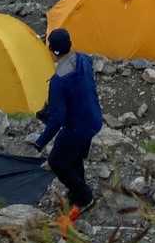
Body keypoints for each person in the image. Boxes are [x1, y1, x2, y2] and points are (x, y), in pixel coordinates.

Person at [33, 28, 103, 222]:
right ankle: (77, 190)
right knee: (75, 155)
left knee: (56, 161)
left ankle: (85, 197)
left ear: (53, 51)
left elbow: (57, 119)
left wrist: (40, 142)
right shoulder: (83, 59)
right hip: (93, 119)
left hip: (77, 126)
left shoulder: (58, 81)